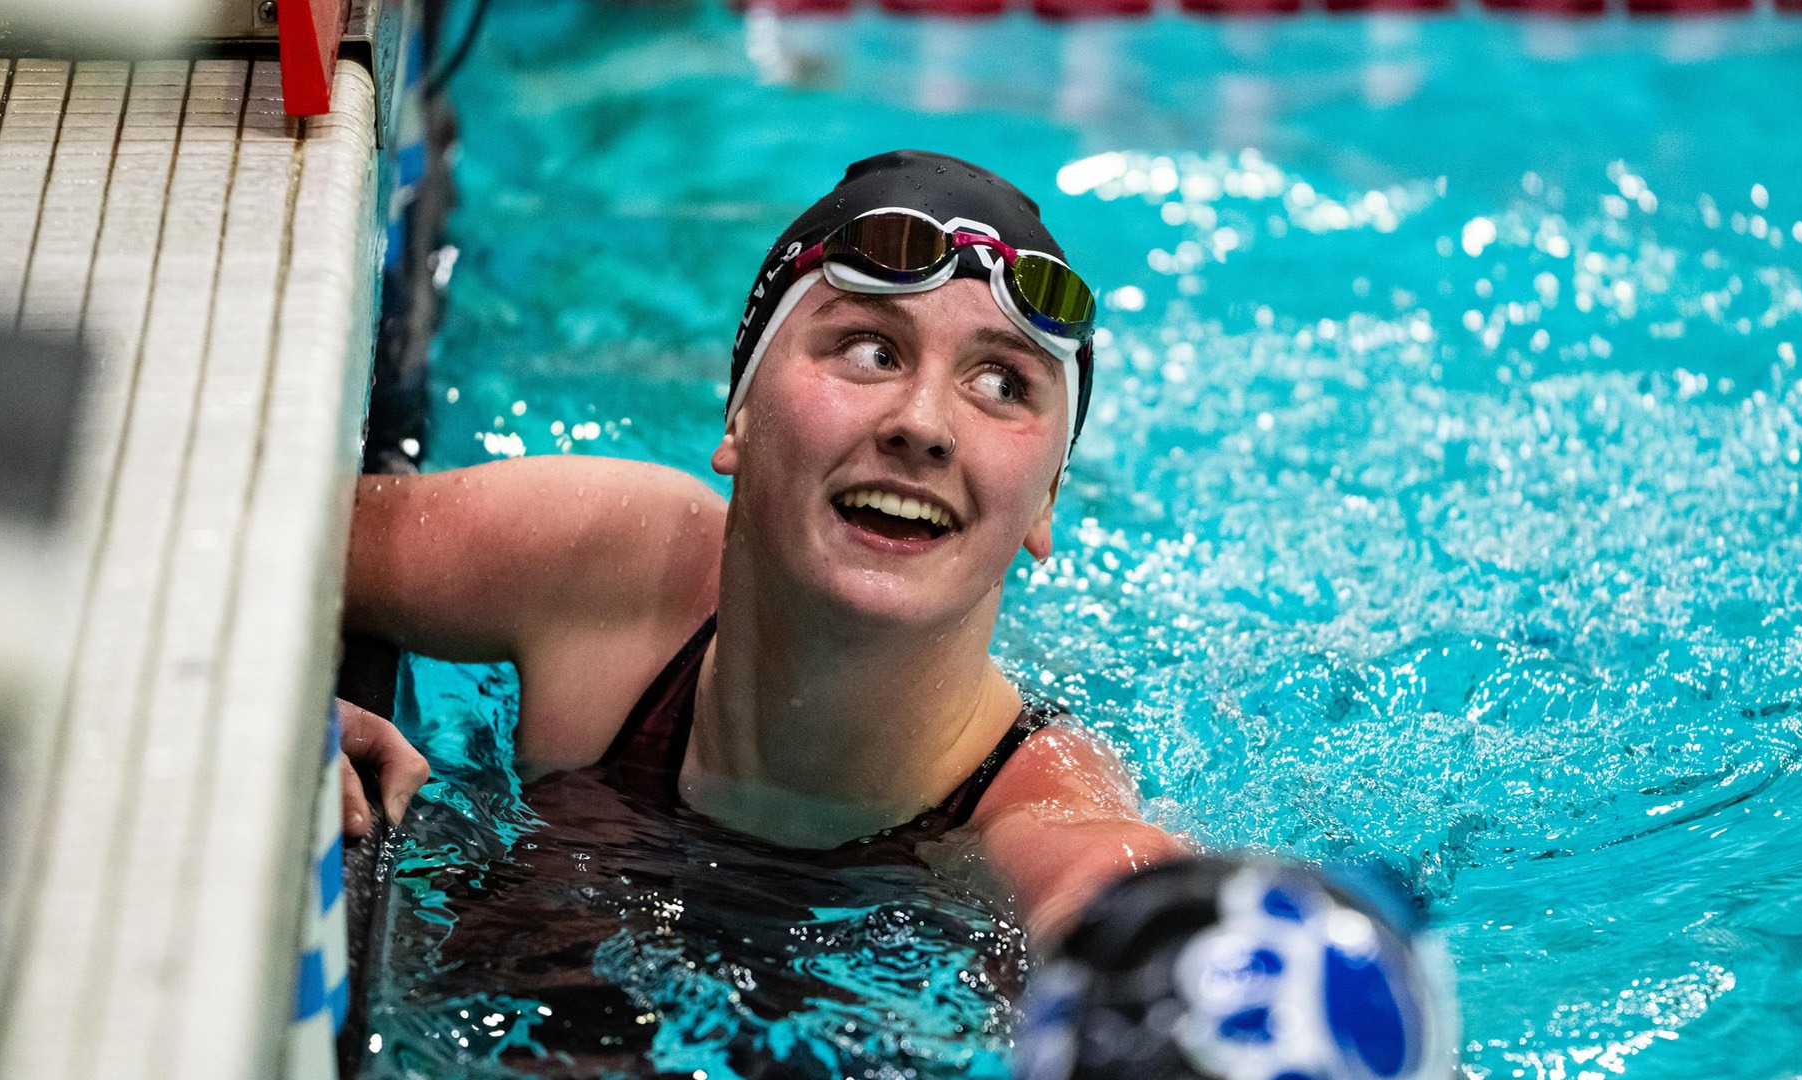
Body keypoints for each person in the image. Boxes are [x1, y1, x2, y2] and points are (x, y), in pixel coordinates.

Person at [341, 149, 1189, 946]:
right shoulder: (607, 564)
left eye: (1002, 383)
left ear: (1047, 499)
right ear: (740, 414)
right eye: (870, 349)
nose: (924, 426)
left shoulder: (1045, 807)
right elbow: (250, 528)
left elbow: (1131, 908)